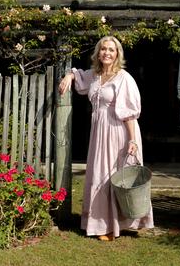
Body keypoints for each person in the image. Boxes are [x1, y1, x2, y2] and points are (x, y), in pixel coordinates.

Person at [58, 36, 154, 241]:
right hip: (99, 132)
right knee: (99, 174)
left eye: (111, 50)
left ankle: (118, 224)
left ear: (117, 54)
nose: (107, 53)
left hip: (120, 131)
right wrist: (69, 75)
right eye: (103, 49)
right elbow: (79, 77)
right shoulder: (94, 75)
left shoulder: (124, 78)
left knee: (117, 175)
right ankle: (102, 222)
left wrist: (132, 140)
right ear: (98, 53)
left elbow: (129, 113)